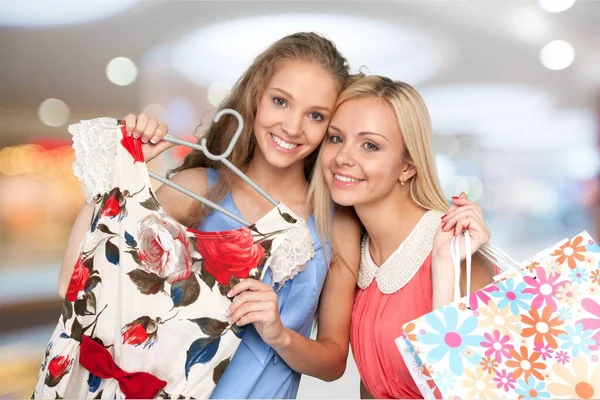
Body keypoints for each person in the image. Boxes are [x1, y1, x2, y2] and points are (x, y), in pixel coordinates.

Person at [57, 32, 362, 398]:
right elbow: (75, 285)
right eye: (280, 101)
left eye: (315, 115)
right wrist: (121, 172)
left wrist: (279, 334)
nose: (293, 127)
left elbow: (333, 362)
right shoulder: (198, 189)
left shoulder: (336, 222)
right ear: (255, 98)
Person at [312, 75, 496, 399]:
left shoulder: (456, 249)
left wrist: (444, 268)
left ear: (408, 166)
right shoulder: (356, 249)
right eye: (336, 138)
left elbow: (472, 389)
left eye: (370, 145)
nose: (343, 157)